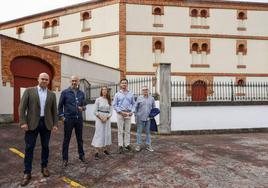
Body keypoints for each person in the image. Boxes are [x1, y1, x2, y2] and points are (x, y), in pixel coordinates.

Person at [19, 72, 58, 187]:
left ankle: (44, 167)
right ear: (38, 79)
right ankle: (27, 173)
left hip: (46, 124)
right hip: (31, 124)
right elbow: (22, 107)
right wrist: (23, 122)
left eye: (46, 79)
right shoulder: (29, 91)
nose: (45, 81)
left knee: (45, 146)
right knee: (29, 147)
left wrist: (55, 124)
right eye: (43, 79)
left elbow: (54, 111)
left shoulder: (52, 94)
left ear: (48, 81)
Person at [58, 75, 87, 167]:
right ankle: (65, 159)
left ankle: (81, 156)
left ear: (78, 82)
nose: (74, 82)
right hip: (69, 119)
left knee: (80, 139)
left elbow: (84, 106)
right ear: (70, 82)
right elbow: (59, 107)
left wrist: (82, 108)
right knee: (67, 139)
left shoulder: (81, 93)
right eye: (73, 81)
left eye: (76, 81)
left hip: (79, 119)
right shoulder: (65, 92)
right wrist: (62, 117)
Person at [113, 78, 135, 153]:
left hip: (128, 114)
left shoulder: (131, 93)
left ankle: (127, 144)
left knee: (127, 130)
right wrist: (121, 112)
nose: (124, 84)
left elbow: (134, 104)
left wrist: (132, 111)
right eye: (122, 83)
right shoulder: (117, 94)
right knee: (120, 131)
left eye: (125, 83)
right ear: (120, 84)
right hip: (120, 114)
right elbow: (114, 105)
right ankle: (120, 145)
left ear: (127, 84)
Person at [92, 86, 113, 160]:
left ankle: (105, 149)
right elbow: (95, 111)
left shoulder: (109, 100)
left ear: (107, 91)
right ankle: (97, 152)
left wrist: (107, 117)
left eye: (105, 90)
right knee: (99, 134)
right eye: (103, 90)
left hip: (107, 119)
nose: (104, 91)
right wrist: (101, 118)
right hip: (99, 119)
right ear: (101, 91)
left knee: (106, 133)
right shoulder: (98, 100)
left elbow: (111, 111)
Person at [135, 86, 156, 152]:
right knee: (139, 132)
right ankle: (138, 145)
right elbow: (136, 108)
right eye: (143, 90)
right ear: (142, 91)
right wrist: (136, 116)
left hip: (148, 119)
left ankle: (148, 145)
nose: (145, 91)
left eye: (146, 90)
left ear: (148, 90)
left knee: (148, 132)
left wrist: (152, 115)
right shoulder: (139, 98)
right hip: (140, 118)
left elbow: (154, 108)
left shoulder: (152, 98)